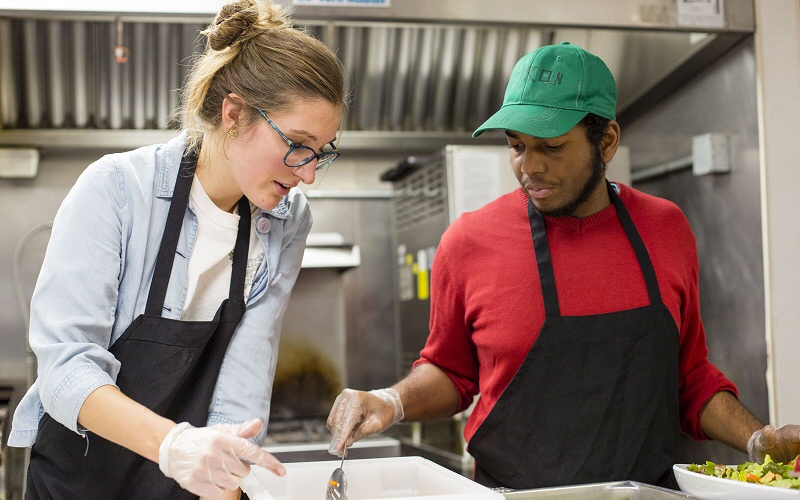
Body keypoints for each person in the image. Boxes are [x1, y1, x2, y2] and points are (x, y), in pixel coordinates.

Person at [327, 42, 800, 490]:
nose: (529, 167)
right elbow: (451, 373)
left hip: (647, 494)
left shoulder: (666, 229)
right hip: (511, 496)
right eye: (516, 145)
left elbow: (689, 377)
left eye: (551, 147)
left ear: (607, 140)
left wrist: (760, 440)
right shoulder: (468, 242)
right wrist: (389, 401)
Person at [7, 0, 347, 498]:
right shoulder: (118, 190)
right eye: (297, 143)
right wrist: (174, 446)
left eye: (323, 150)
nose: (309, 172)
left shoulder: (286, 222)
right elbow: (65, 368)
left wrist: (226, 483)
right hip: (78, 480)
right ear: (234, 114)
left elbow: (239, 396)